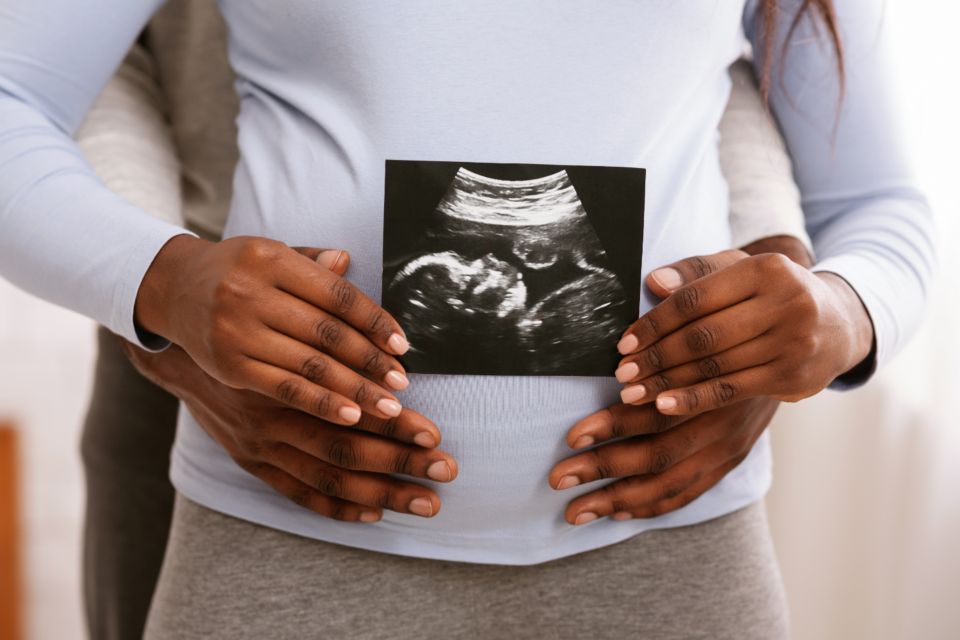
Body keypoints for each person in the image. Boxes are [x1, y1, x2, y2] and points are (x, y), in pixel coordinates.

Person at [0, 1, 935, 638]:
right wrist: (163, 282)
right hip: (284, 540)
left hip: (667, 549)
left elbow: (878, 198)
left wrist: (838, 313)